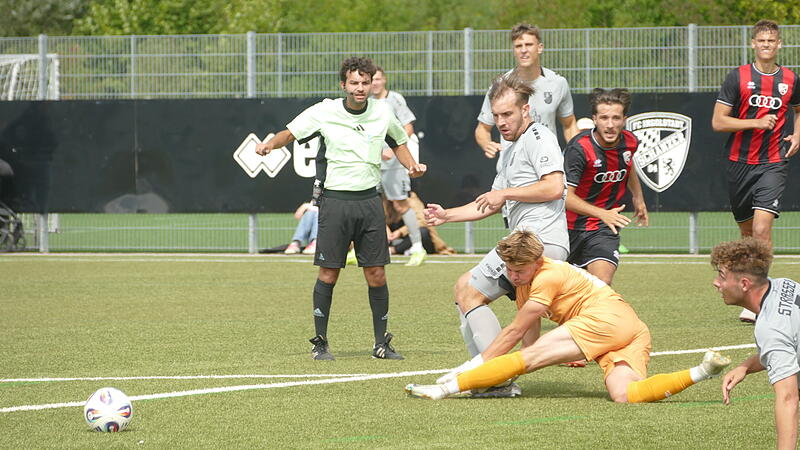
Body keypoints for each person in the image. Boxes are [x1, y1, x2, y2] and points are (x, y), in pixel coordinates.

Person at [405, 230, 732, 402]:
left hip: (604, 320)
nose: (512, 275)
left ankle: (443, 391)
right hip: (631, 329)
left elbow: (514, 335)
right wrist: (536, 356)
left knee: (525, 358)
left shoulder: (548, 274)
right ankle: (702, 371)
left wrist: (460, 376)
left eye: (518, 270)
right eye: (507, 268)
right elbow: (528, 338)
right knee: (625, 395)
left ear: (537, 261)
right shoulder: (525, 284)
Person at [255, 56, 426, 360]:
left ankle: (381, 343)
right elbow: (290, 133)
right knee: (329, 273)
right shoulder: (325, 111)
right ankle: (320, 343)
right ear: (343, 84)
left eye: (365, 82)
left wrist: (411, 165)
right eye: (354, 82)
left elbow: (399, 142)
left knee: (376, 274)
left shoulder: (383, 112)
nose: (360, 88)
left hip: (370, 203)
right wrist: (270, 144)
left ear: (373, 83)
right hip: (335, 203)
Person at [425, 74, 569, 396]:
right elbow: (489, 203)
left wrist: (505, 195)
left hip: (538, 241)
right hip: (528, 241)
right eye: (496, 116)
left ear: (526, 111)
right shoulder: (510, 147)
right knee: (465, 289)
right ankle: (488, 378)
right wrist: (447, 215)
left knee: (469, 291)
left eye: (508, 114)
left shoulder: (539, 137)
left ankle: (494, 378)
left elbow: (555, 186)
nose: (501, 122)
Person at [710, 19, 800, 323]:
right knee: (748, 234)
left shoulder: (790, 78)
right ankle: (750, 287)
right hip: (738, 163)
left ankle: (761, 300)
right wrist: (755, 122)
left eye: (772, 41)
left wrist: (798, 134)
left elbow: (799, 109)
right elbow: (719, 122)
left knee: (762, 230)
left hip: (772, 162)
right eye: (761, 41)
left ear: (779, 45)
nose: (766, 46)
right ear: (753, 43)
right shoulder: (738, 77)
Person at [711, 238, 799, 449]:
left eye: (722, 276)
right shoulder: (784, 284)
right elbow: (788, 345)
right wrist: (745, 367)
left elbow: (788, 398)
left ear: (744, 284)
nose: (716, 283)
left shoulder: (770, 327)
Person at [564, 88, 648, 286]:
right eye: (604, 118)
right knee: (559, 288)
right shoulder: (579, 149)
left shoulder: (630, 142)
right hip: (568, 228)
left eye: (616, 118)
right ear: (595, 119)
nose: (610, 125)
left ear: (624, 119)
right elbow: (566, 196)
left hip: (603, 228)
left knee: (602, 283)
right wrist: (602, 213)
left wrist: (638, 197)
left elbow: (628, 165)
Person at [474, 23, 578, 165]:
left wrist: (577, 152)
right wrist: (487, 144)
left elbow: (569, 124)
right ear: (514, 50)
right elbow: (482, 129)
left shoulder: (557, 83)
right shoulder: (500, 85)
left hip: (549, 165)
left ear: (539, 48)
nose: (523, 50)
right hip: (512, 167)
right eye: (518, 46)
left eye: (528, 45)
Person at [371, 66, 427, 266]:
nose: (375, 83)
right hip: (370, 163)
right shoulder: (364, 102)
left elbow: (408, 127)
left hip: (393, 164)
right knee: (366, 205)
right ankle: (356, 249)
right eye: (372, 79)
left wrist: (394, 149)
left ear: (384, 80)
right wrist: (377, 151)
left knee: (400, 204)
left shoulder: (395, 99)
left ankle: (417, 247)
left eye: (378, 79)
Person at [384, 192, 456, 257]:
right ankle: (392, 250)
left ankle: (395, 250)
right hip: (390, 238)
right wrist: (386, 229)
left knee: (423, 232)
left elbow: (422, 221)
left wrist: (400, 232)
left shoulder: (411, 198)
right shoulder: (382, 200)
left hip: (412, 238)